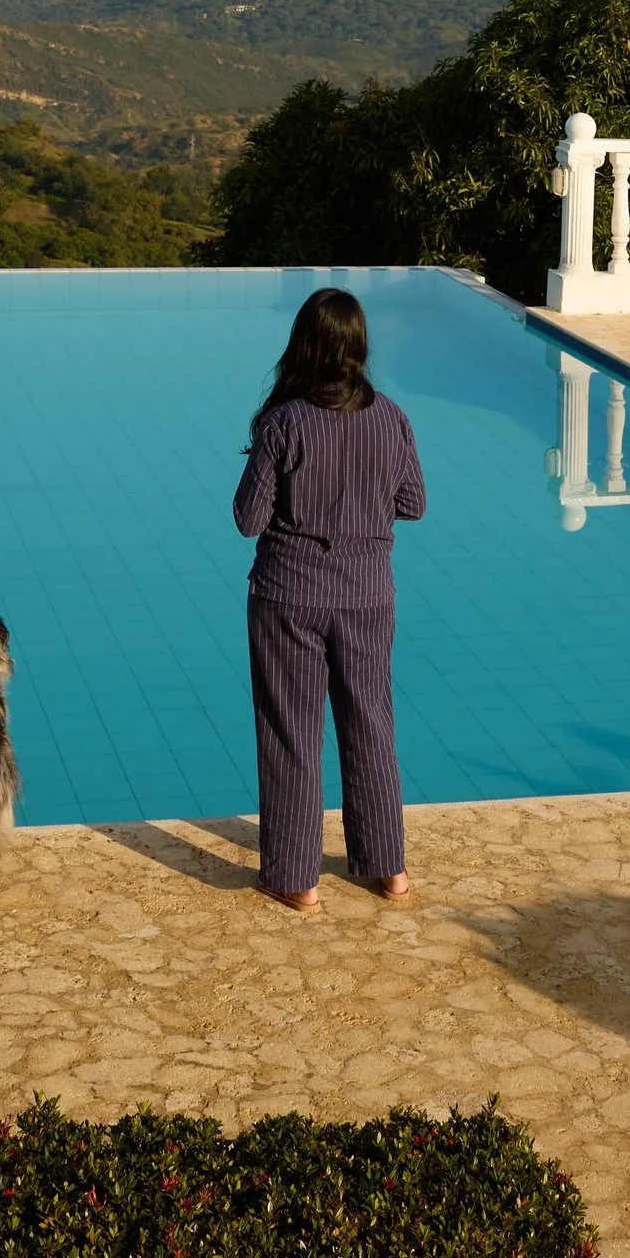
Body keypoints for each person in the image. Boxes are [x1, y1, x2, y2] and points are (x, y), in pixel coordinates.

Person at [233, 284, 426, 913]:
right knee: (370, 724)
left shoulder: (282, 422)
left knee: (292, 732)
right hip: (368, 596)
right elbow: (413, 503)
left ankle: (296, 878)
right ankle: (387, 868)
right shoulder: (392, 417)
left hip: (289, 595)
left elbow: (247, 517)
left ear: (304, 346)